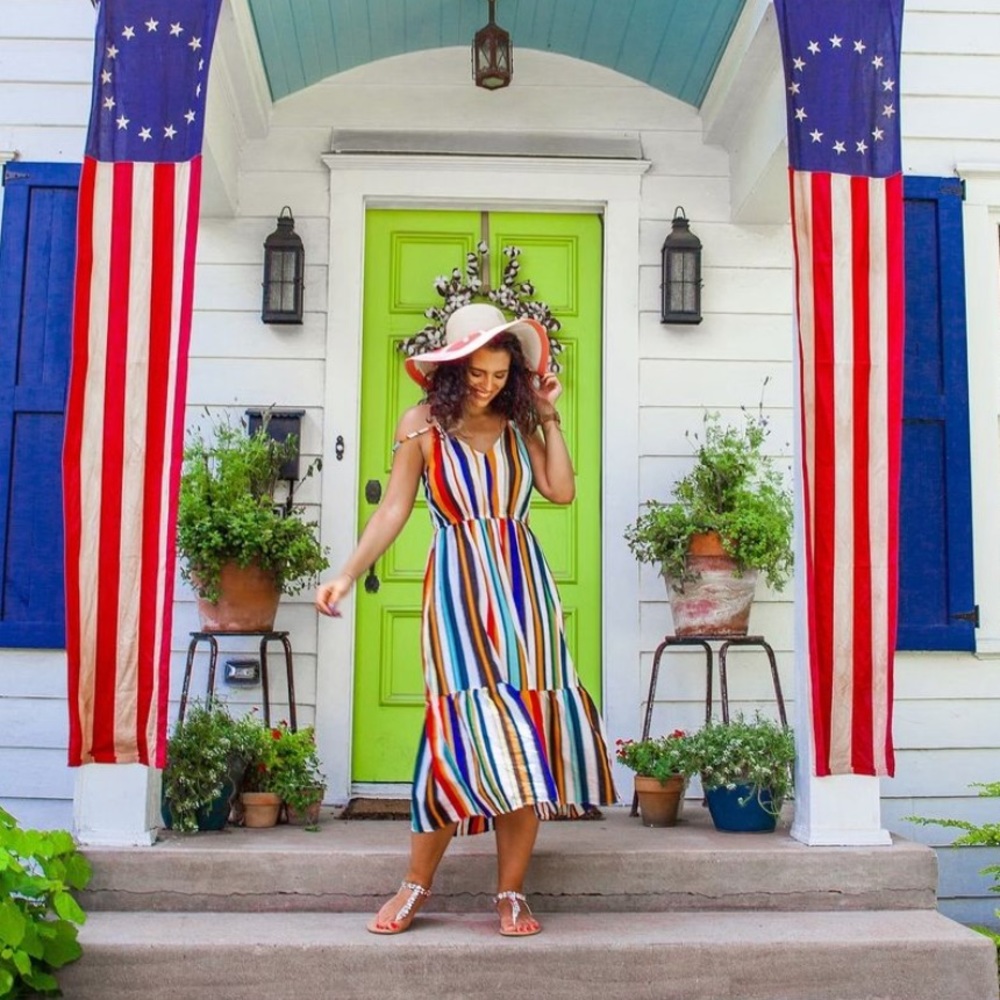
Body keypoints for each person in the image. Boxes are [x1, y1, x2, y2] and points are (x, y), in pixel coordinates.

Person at [316, 302, 616, 938]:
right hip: (456, 589)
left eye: (501, 375)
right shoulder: (422, 425)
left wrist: (547, 411)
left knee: (528, 737)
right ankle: (415, 884)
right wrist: (347, 571)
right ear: (453, 368)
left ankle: (510, 893)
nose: (488, 386)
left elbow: (561, 491)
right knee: (456, 735)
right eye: (477, 374)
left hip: (524, 593)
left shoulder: (517, 422)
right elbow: (394, 510)